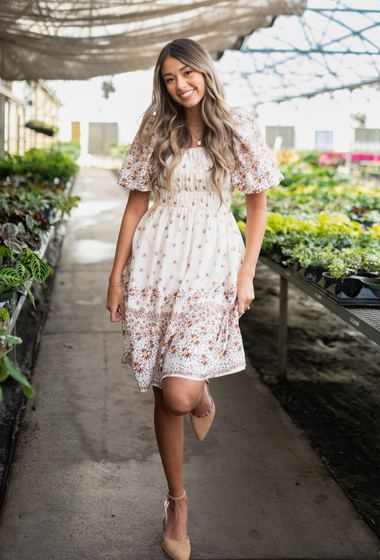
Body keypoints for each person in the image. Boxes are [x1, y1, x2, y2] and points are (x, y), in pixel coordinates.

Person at [106, 37, 284, 560]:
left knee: (182, 395)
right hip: (157, 265)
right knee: (165, 389)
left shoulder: (239, 126)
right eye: (168, 78)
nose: (180, 85)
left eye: (187, 74)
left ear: (205, 72)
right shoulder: (155, 128)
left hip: (212, 265)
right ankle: (176, 503)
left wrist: (246, 273)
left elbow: (257, 206)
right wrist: (117, 278)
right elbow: (136, 208)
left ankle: (199, 390)